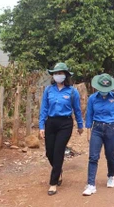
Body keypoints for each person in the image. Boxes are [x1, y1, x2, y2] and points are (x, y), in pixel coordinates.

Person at [39, 62, 84, 196]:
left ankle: (53, 183)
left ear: (66, 75)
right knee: (49, 152)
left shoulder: (72, 92)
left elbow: (77, 109)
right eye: (56, 73)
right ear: (53, 75)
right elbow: (44, 109)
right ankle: (58, 169)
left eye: (61, 73)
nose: (58, 75)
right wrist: (41, 126)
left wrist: (80, 125)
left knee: (58, 151)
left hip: (65, 124)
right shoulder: (48, 90)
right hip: (51, 123)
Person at [82, 73, 114, 196]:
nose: (104, 91)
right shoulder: (92, 98)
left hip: (111, 129)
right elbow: (89, 115)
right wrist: (88, 132)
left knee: (110, 155)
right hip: (96, 129)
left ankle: (111, 176)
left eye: (106, 89)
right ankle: (91, 184)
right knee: (93, 156)